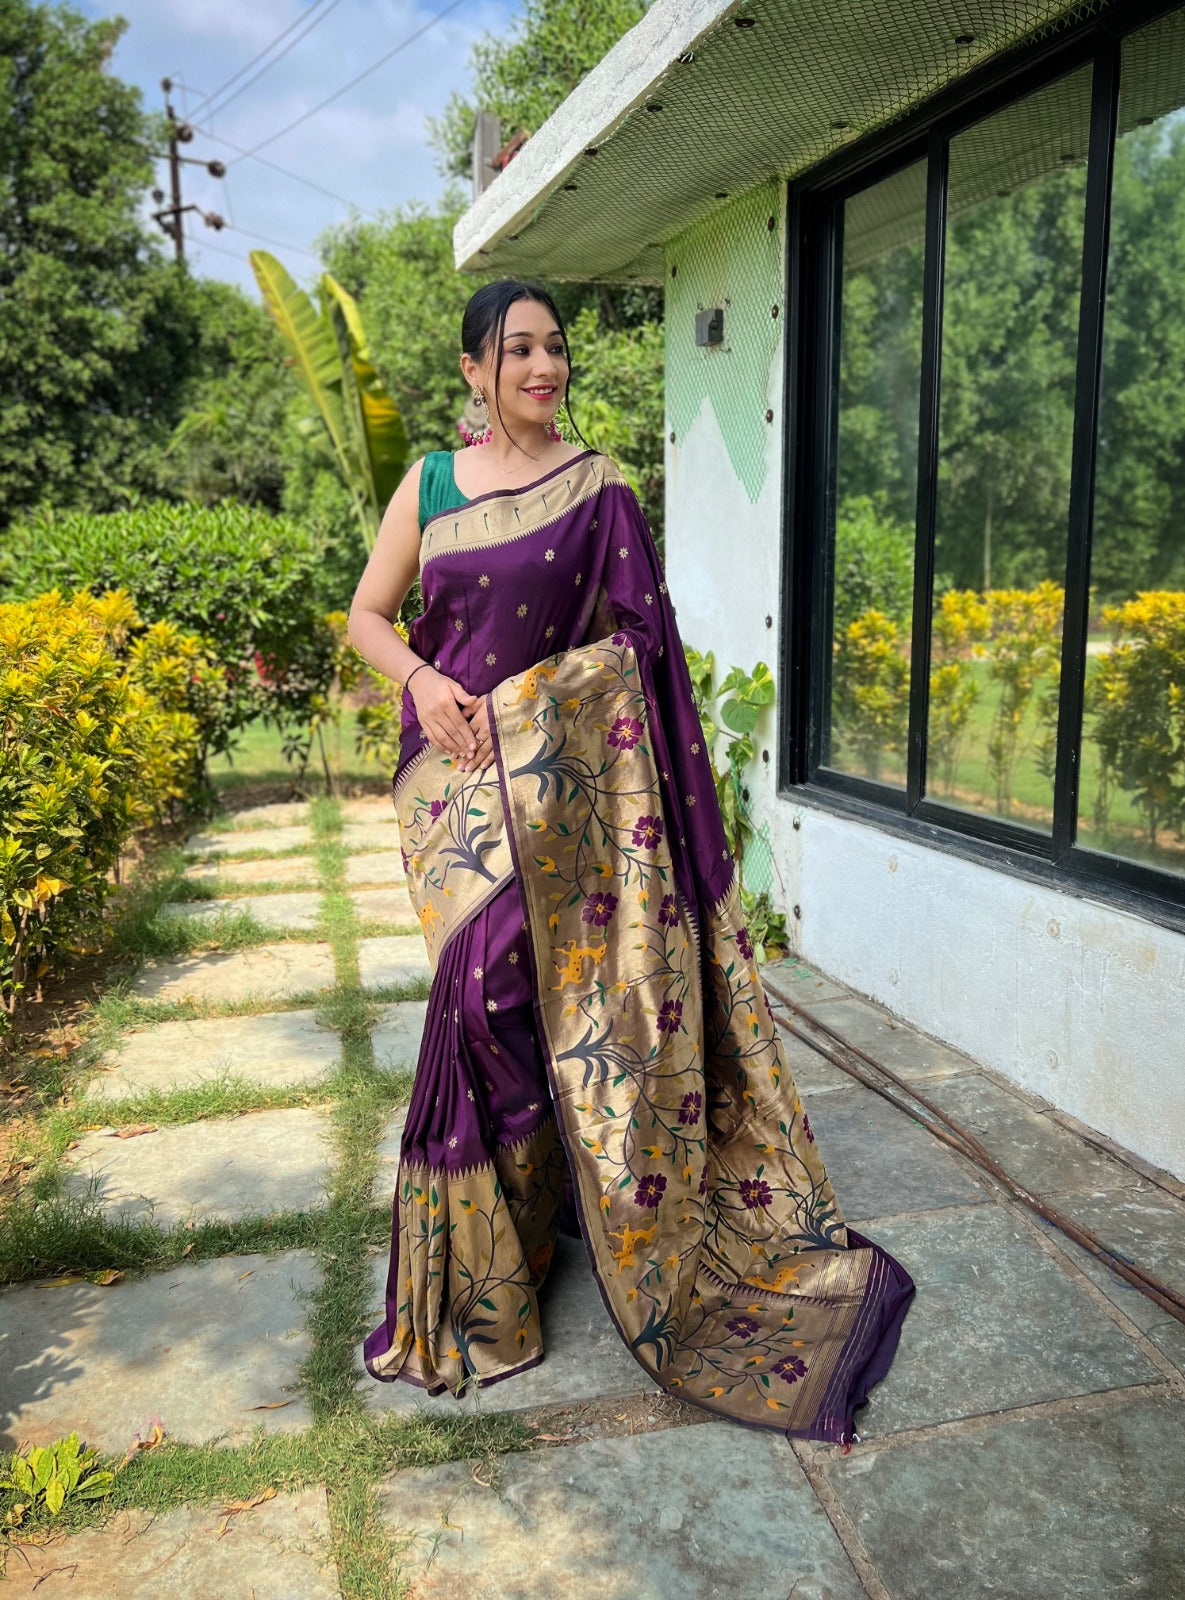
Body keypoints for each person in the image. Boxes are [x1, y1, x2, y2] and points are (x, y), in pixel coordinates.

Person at [348, 278, 914, 1444]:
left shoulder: (600, 486)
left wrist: (545, 701)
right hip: (460, 792)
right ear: (474, 371)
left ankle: (549, 1225)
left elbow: (638, 645)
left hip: (568, 802)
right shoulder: (432, 484)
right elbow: (367, 614)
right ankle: (501, 1264)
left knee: (542, 1000)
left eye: (554, 348)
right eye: (518, 350)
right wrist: (423, 678)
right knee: (482, 1007)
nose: (543, 367)